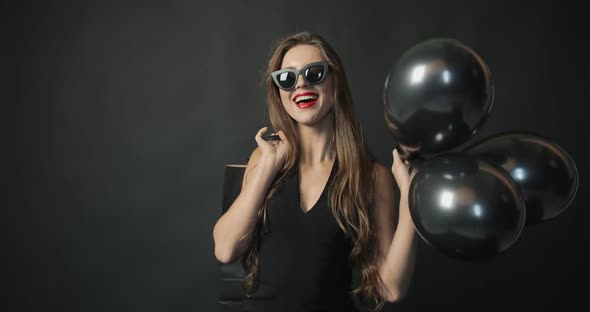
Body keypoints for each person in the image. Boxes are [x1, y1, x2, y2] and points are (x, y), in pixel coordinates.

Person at [213, 31, 417, 312]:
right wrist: (267, 169)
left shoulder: (371, 175)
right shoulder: (264, 159)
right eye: (287, 78)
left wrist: (410, 199)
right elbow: (225, 250)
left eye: (315, 73)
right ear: (279, 92)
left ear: (336, 81)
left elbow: (390, 288)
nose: (301, 84)